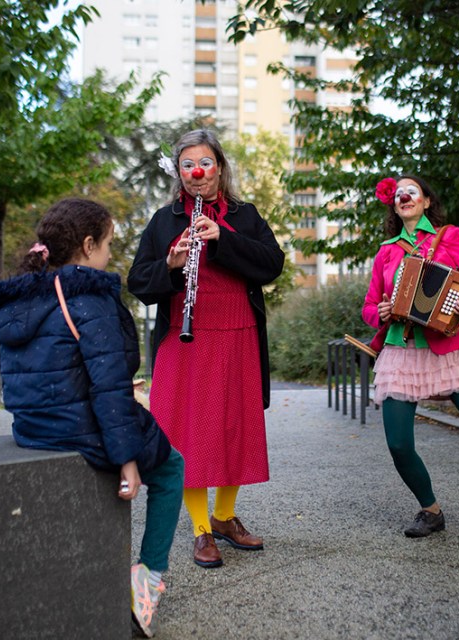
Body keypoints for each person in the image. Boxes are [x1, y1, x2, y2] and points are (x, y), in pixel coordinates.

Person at [0, 198, 184, 638]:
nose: (109, 255)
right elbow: (107, 385)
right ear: (88, 246)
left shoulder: (20, 294)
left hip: (31, 427)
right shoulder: (86, 295)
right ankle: (147, 580)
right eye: (107, 244)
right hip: (78, 427)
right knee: (172, 466)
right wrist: (127, 459)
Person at [128, 129, 285, 569]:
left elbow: (272, 263)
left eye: (205, 164)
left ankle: (224, 516)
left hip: (238, 332)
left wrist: (223, 238)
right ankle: (200, 530)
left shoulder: (245, 214)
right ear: (179, 172)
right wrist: (170, 266)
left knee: (235, 427)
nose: (197, 173)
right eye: (188, 166)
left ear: (220, 166)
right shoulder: (164, 221)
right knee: (190, 433)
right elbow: (139, 282)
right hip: (187, 335)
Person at [363, 174, 459, 537]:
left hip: (448, 349)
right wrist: (378, 312)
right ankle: (430, 510)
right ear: (395, 206)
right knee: (398, 443)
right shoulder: (386, 251)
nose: (404, 196)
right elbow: (369, 307)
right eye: (398, 194)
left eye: (412, 191)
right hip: (402, 351)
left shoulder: (450, 236)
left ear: (426, 201)